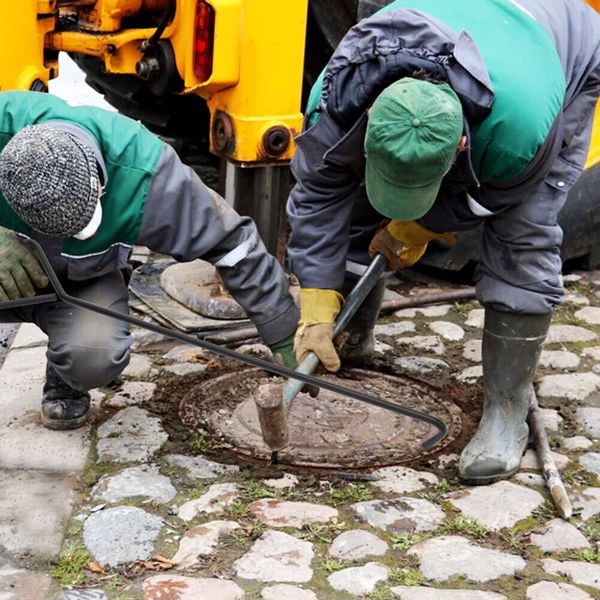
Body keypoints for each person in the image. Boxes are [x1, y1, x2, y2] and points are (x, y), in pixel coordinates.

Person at [287, 0, 600, 484]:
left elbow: (494, 200)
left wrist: (416, 228)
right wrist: (314, 301)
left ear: (459, 145)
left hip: (567, 52)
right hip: (464, 26)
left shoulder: (519, 131)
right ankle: (352, 332)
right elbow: (318, 194)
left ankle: (506, 412)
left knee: (524, 237)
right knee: (351, 202)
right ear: (369, 117)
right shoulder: (337, 93)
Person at [0, 90, 298, 430]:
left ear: (99, 185)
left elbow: (233, 245)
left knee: (93, 355)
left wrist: (283, 334)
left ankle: (66, 375)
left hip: (80, 281)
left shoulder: (149, 176)